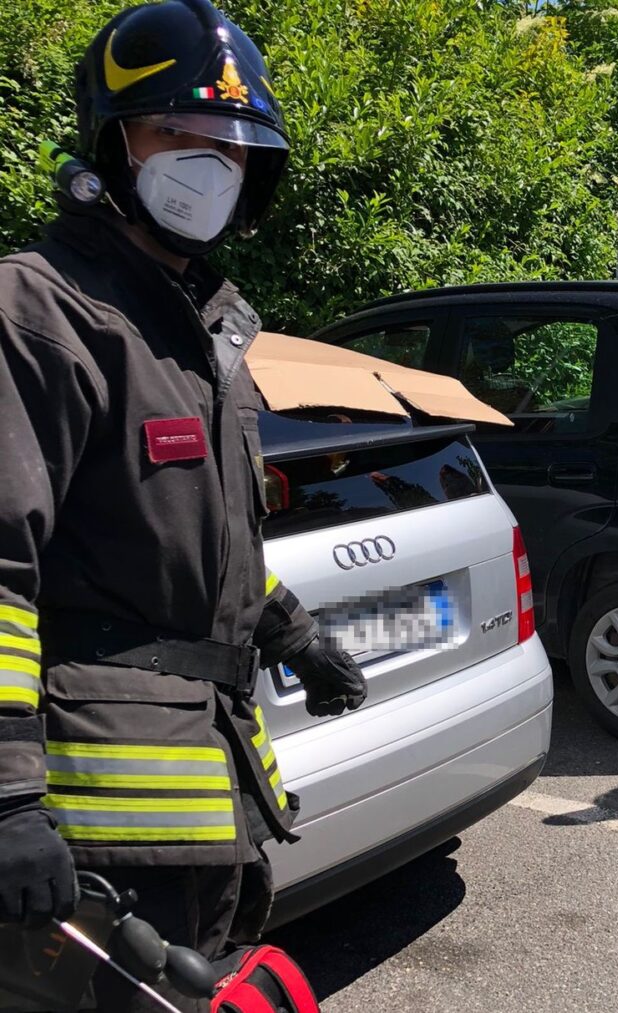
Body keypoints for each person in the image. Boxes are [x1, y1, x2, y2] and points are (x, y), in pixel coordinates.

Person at [0, 1, 368, 1008]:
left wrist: (293, 634)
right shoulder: (40, 310)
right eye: (178, 132)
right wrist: (8, 793)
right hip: (86, 838)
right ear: (111, 145)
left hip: (204, 794)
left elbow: (202, 546)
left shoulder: (202, 338)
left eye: (235, 146)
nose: (210, 162)